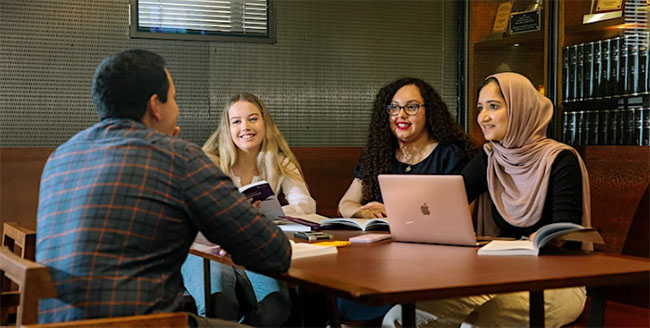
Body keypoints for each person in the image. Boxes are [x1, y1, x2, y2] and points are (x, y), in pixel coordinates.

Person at [35, 49, 291, 326]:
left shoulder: (60, 157)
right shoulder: (176, 157)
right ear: (155, 106)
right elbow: (273, 252)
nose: (177, 109)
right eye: (175, 98)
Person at [382, 72, 591, 327]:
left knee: (480, 322)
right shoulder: (491, 157)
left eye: (494, 107)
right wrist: (400, 211)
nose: (483, 117)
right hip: (499, 278)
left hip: (559, 282)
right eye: (480, 108)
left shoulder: (559, 159)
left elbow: (569, 235)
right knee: (398, 318)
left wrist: (546, 238)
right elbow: (447, 201)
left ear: (520, 109)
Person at [337, 77, 474, 322]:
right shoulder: (379, 154)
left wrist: (394, 211)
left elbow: (463, 214)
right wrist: (362, 212)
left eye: (411, 107)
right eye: (394, 107)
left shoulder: (450, 155)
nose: (401, 115)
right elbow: (346, 204)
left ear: (428, 112)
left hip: (433, 262)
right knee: (342, 295)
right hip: (380, 259)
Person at [182, 93, 316, 326]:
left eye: (253, 119)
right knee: (219, 302)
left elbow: (306, 204)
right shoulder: (208, 161)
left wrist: (266, 215)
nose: (246, 127)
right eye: (236, 121)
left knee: (278, 305)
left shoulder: (279, 161)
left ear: (265, 123)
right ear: (227, 128)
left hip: (253, 249)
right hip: (207, 250)